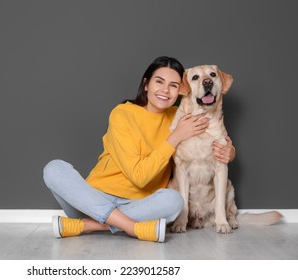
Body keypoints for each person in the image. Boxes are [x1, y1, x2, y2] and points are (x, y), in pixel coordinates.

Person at [43, 56, 235, 242]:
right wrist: (176, 136)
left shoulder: (182, 116)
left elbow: (213, 140)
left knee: (174, 201)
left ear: (182, 91)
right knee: (54, 169)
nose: (165, 90)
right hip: (92, 201)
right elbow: (139, 177)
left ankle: (85, 225)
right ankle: (133, 227)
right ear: (146, 85)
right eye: (159, 82)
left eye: (173, 85)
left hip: (142, 205)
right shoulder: (122, 114)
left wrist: (230, 153)